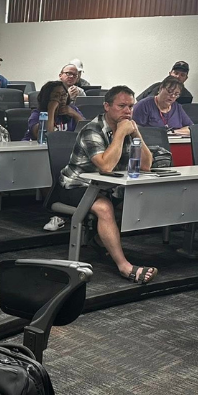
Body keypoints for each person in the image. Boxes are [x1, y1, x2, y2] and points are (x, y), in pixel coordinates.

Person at [44, 86, 157, 284]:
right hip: (75, 185)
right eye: (122, 106)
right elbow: (105, 166)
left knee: (137, 200)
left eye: (130, 106)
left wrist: (136, 133)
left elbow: (146, 165)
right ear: (107, 106)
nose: (127, 111)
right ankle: (124, 266)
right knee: (104, 207)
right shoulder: (92, 130)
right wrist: (121, 134)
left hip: (106, 186)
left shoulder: (128, 128)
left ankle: (99, 239)